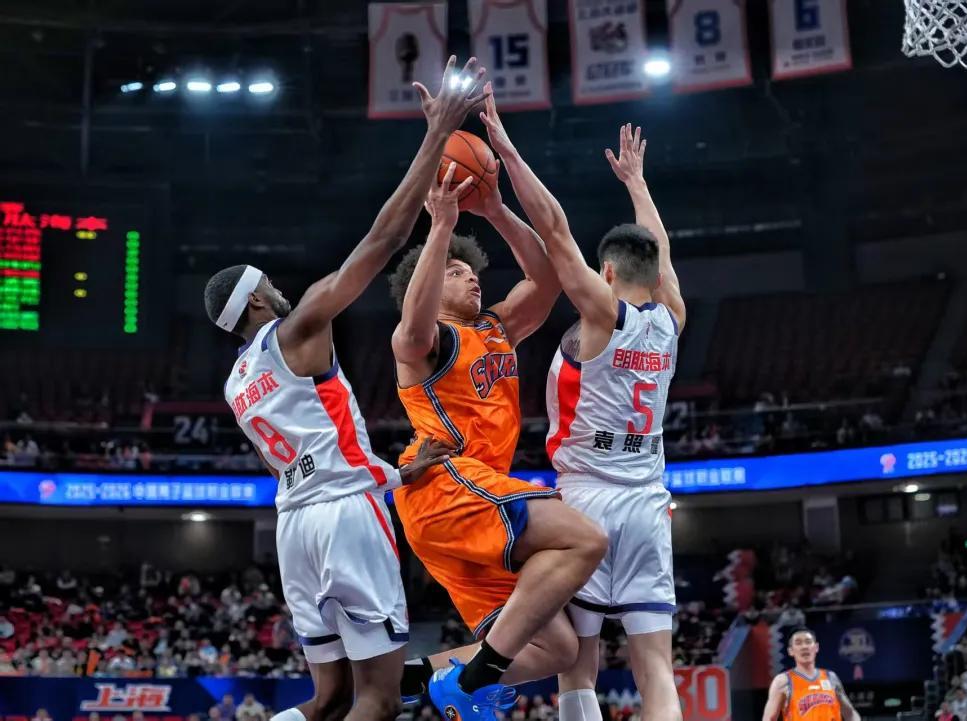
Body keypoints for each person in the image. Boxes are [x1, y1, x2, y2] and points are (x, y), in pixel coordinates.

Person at [204, 55, 487, 721]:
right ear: (257, 299)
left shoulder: (237, 382)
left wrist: (398, 472)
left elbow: (308, 454)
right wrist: (435, 135)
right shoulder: (297, 326)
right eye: (268, 283)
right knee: (380, 700)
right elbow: (384, 239)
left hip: (295, 528)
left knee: (328, 698)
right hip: (345, 521)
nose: (279, 286)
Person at [389, 90, 607, 720]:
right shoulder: (425, 343)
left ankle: (408, 681)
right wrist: (441, 230)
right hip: (444, 485)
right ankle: (470, 684)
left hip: (472, 501)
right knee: (584, 540)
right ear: (430, 283)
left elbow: (547, 279)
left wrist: (494, 208)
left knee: (557, 648)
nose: (472, 277)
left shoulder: (497, 327)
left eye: (471, 271)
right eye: (458, 273)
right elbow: (411, 329)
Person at [479, 106, 685, 721]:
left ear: (608, 272)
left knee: (578, 666)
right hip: (648, 500)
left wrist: (507, 150)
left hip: (586, 501)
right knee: (656, 669)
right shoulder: (672, 319)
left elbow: (554, 230)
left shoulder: (603, 314)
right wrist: (638, 185)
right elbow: (661, 253)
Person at [762, 628, 862, 721]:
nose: (804, 647)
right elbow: (769, 718)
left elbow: (850, 713)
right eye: (798, 643)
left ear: (816, 647)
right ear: (791, 651)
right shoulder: (783, 681)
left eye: (808, 642)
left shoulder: (831, 677)